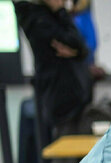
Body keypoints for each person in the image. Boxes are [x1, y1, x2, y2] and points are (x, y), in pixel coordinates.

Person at [15, 0, 92, 136]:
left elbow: (83, 47)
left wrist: (78, 51)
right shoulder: (37, 17)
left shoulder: (49, 15)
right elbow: (76, 42)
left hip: (73, 93)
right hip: (61, 98)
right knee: (66, 147)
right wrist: (60, 11)